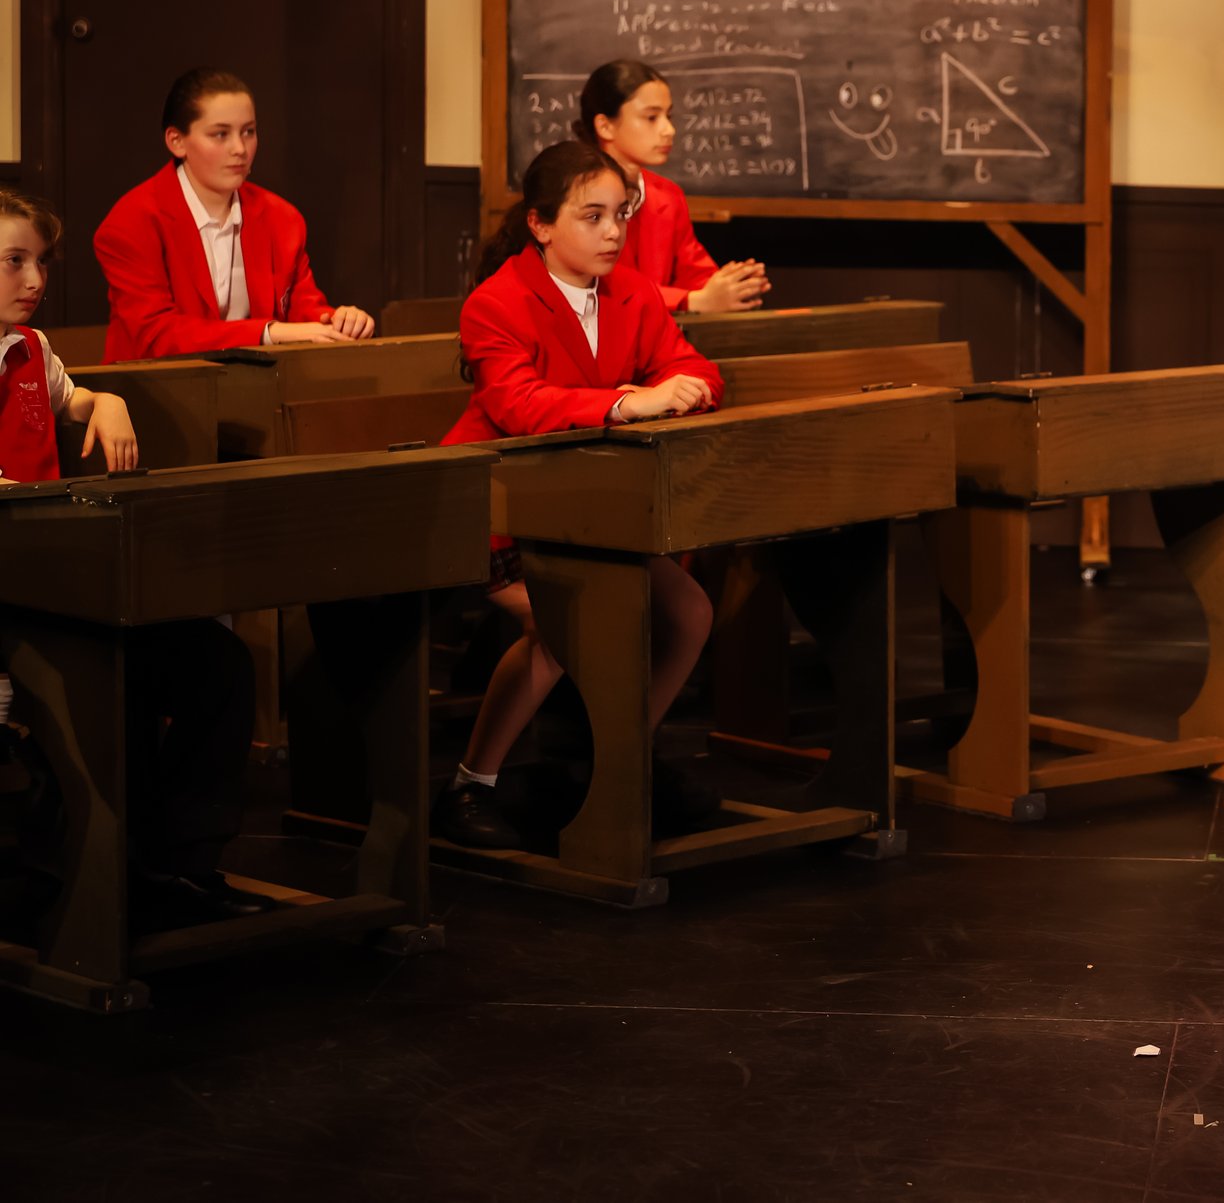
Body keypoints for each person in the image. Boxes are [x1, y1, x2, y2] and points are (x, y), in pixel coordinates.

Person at [431, 141, 727, 851]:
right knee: (564, 625)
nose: (612, 233)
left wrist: (679, 394)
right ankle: (472, 782)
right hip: (500, 507)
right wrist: (625, 403)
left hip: (589, 512)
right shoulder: (496, 300)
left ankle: (615, 762)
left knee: (688, 609)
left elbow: (697, 369)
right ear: (540, 224)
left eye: (619, 215)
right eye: (591, 217)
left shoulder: (629, 290)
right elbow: (519, 404)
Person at [0, 187, 267, 925]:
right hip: (12, 596)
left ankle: (176, 860)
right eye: (13, 262)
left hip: (57, 576)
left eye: (40, 263)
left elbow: (69, 400)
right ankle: (63, 873)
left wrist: (102, 403)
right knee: (89, 680)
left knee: (217, 664)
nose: (34, 280)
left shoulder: (32, 349)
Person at [93, 68, 375, 362]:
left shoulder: (282, 218)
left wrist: (336, 320)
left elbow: (304, 309)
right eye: (220, 134)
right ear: (177, 141)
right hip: (150, 394)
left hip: (257, 391)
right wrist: (270, 332)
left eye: (248, 132)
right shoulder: (131, 221)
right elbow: (158, 335)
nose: (240, 149)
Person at [576, 60, 770, 315]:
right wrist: (692, 301)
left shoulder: (666, 195)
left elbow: (694, 271)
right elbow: (601, 289)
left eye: (668, 117)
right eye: (651, 117)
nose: (669, 130)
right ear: (605, 126)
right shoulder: (576, 195)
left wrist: (733, 285)